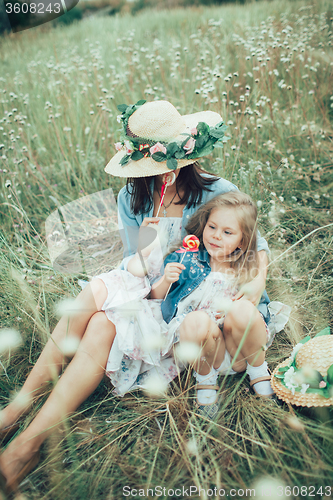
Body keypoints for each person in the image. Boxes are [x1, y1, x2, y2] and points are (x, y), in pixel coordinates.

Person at [0, 100, 270, 491]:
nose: (161, 175)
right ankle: (21, 418)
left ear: (185, 156)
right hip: (150, 292)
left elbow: (256, 248)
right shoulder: (132, 199)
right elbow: (134, 264)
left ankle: (26, 441)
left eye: (165, 165)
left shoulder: (218, 192)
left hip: (189, 306)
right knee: (96, 315)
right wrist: (147, 268)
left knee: (99, 322)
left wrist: (254, 288)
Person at [150, 190, 277, 419]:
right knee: (196, 319)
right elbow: (156, 297)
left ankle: (258, 372)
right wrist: (166, 279)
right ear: (204, 225)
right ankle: (206, 381)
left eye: (227, 232)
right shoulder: (187, 258)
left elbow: (254, 312)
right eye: (212, 227)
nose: (216, 236)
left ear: (243, 239)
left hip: (239, 351)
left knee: (241, 309)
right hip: (205, 349)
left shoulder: (247, 268)